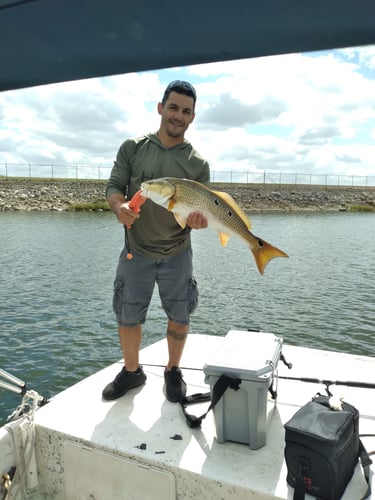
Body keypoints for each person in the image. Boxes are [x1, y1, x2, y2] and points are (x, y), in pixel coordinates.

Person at [102, 80, 210, 403]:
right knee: (128, 315)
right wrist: (119, 207)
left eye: (186, 111)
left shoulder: (197, 164)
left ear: (193, 117)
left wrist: (199, 221)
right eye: (173, 107)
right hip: (136, 250)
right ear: (161, 108)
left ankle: (172, 371)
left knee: (180, 315)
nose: (178, 115)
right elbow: (113, 186)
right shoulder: (133, 148)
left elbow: (203, 211)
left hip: (178, 251)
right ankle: (132, 372)